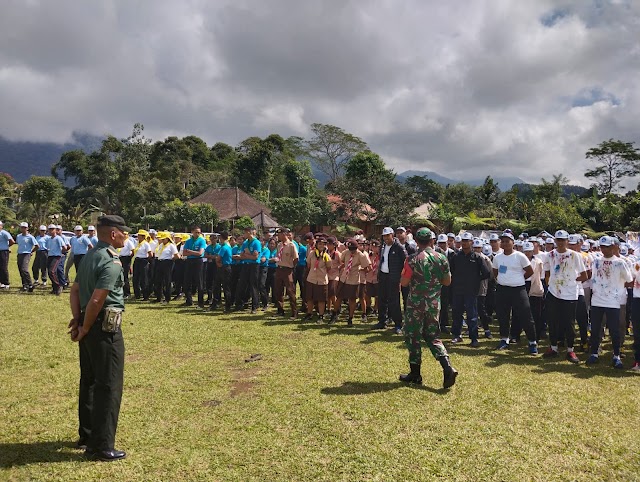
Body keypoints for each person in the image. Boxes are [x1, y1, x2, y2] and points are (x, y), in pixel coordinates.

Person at [68, 214, 129, 461]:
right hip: (104, 327)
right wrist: (85, 326)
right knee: (109, 384)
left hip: (87, 321)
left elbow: (75, 291)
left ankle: (87, 435)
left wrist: (78, 320)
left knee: (90, 381)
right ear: (113, 234)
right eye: (124, 232)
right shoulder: (111, 261)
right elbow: (97, 298)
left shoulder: (90, 256)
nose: (127, 236)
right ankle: (102, 446)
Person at [399, 227, 457, 389]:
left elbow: (404, 282)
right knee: (432, 336)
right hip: (433, 304)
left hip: (415, 304)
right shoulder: (442, 258)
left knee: (413, 336)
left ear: (416, 241)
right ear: (432, 240)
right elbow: (447, 282)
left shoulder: (411, 259)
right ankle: (447, 367)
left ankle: (415, 374)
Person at [586, 236, 633, 369]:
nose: (605, 250)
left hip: (613, 301)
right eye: (602, 247)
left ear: (613, 247)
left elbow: (629, 280)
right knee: (595, 329)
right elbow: (593, 278)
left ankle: (616, 356)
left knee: (615, 330)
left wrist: (616, 289)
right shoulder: (595, 261)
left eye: (607, 247)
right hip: (597, 300)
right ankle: (594, 353)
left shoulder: (620, 263)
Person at [542, 230, 587, 363]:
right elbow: (547, 273)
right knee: (552, 321)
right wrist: (552, 285)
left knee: (569, 323)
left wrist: (571, 281)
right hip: (553, 293)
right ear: (555, 241)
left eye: (563, 240)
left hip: (570, 294)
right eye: (558, 240)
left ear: (567, 241)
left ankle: (570, 350)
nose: (560, 242)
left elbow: (584, 275)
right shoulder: (549, 255)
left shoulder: (575, 255)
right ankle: (554, 347)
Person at [492, 232, 539, 354]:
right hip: (502, 290)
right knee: (503, 316)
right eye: (503, 241)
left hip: (518, 289)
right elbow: (495, 272)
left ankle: (532, 342)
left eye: (508, 241)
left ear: (513, 242)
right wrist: (504, 280)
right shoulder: (497, 257)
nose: (505, 243)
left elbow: (529, 271)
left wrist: (518, 279)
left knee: (526, 316)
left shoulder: (520, 256)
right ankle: (504, 340)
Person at [450, 232, 490, 347]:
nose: (464, 243)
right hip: (458, 290)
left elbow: (486, 273)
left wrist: (476, 280)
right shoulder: (456, 257)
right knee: (457, 313)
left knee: (472, 315)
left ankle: (474, 338)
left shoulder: (477, 257)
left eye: (467, 241)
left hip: (471, 291)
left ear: (472, 242)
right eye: (463, 240)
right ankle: (457, 335)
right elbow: (451, 271)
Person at [372, 227, 406, 333]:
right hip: (383, 276)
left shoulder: (399, 247)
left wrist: (401, 277)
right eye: (384, 236)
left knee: (394, 301)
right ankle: (382, 321)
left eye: (388, 235)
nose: (386, 238)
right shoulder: (383, 247)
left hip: (394, 278)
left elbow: (406, 262)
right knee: (381, 299)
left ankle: (398, 324)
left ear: (392, 235)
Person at [332, 238, 371, 326]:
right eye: (350, 249)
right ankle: (334, 314)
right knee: (339, 297)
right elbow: (342, 261)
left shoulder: (361, 255)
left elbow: (367, 268)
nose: (351, 251)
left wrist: (359, 269)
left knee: (352, 299)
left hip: (354, 279)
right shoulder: (346, 252)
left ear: (356, 248)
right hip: (344, 278)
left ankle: (350, 318)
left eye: (353, 249)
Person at [304, 236, 332, 323]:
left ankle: (321, 315)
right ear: (316, 245)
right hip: (311, 278)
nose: (321, 246)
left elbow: (329, 267)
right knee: (310, 298)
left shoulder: (326, 256)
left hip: (322, 280)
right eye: (320, 244)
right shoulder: (312, 254)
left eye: (323, 244)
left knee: (321, 299)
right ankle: (309, 313)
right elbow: (308, 265)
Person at [234, 227, 262, 314]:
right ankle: (240, 304)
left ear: (250, 233)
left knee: (253, 285)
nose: (244, 235)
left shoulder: (256, 242)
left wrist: (247, 255)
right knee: (241, 284)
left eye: (245, 233)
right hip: (245, 265)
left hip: (254, 266)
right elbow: (242, 255)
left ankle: (254, 306)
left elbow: (255, 257)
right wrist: (248, 255)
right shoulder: (245, 243)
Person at [273, 228, 298, 319]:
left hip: (287, 270)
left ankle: (294, 312)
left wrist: (291, 267)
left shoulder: (291, 245)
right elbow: (278, 256)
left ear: (284, 234)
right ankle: (280, 310)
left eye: (279, 234)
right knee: (278, 290)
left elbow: (296, 258)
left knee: (290, 291)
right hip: (279, 269)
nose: (278, 236)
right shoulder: (279, 245)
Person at [523, 242, 545, 342]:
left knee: (536, 313)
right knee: (520, 312)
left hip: (535, 286)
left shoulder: (538, 261)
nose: (527, 253)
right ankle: (515, 334)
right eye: (526, 251)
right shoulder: (520, 260)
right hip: (522, 285)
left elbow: (542, 275)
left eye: (529, 251)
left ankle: (537, 334)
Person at [182, 226, 207, 308]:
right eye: (196, 232)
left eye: (199, 232)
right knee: (187, 281)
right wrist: (193, 252)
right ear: (192, 232)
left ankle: (200, 302)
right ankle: (189, 300)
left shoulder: (202, 241)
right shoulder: (188, 241)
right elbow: (184, 253)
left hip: (198, 262)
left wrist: (189, 251)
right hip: (189, 261)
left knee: (199, 281)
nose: (197, 234)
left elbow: (200, 253)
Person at [211, 232, 233, 312]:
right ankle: (221, 304)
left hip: (224, 267)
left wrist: (217, 261)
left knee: (224, 287)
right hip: (225, 267)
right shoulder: (226, 246)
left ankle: (227, 305)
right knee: (221, 286)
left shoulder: (224, 247)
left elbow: (218, 258)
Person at [46, 224, 69, 295]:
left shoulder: (58, 238)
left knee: (52, 271)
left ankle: (58, 285)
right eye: (50, 229)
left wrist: (61, 253)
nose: (51, 231)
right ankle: (54, 288)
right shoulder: (49, 239)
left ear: (55, 230)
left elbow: (64, 247)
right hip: (50, 256)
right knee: (50, 273)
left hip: (57, 256)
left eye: (52, 229)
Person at [16, 222, 38, 291]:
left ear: (27, 228)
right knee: (20, 270)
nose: (23, 229)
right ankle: (25, 285)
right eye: (22, 227)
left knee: (24, 269)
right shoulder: (18, 236)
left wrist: (31, 251)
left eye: (25, 228)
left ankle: (30, 284)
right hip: (20, 254)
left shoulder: (30, 237)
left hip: (26, 254)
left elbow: (37, 246)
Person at [132, 230, 152, 300]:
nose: (138, 237)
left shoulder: (146, 244)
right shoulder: (137, 243)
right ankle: (137, 294)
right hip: (137, 260)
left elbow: (150, 254)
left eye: (139, 236)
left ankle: (145, 295)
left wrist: (147, 260)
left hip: (143, 260)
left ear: (143, 237)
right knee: (135, 278)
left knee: (144, 278)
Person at [118, 232, 135, 299]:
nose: (124, 235)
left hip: (126, 258)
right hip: (120, 258)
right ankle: (121, 292)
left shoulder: (128, 242)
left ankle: (127, 293)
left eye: (125, 234)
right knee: (120, 276)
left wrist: (129, 258)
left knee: (125, 276)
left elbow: (133, 251)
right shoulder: (121, 241)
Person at [0, 220, 16, 289]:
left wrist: (7, 247)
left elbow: (12, 241)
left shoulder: (4, 233)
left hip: (4, 251)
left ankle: (6, 283)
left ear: (1, 226)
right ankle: (1, 282)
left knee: (3, 267)